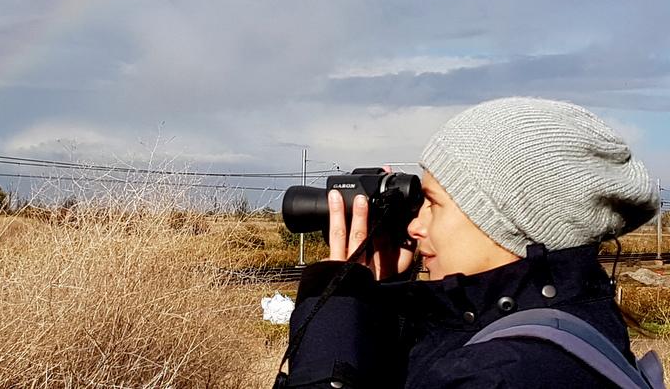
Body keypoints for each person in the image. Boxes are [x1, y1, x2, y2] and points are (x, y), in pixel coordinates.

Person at [281, 97, 660, 388]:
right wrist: (378, 300)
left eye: (433, 204)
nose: (415, 226)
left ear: (505, 220)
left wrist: (333, 311)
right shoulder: (570, 322)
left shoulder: (500, 376)